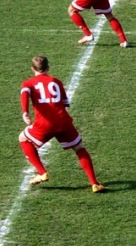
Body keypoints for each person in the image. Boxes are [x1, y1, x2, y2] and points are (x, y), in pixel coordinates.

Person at [18, 55, 106, 193]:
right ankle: (94, 183)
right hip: (63, 121)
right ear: (48, 68)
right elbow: (64, 104)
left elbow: (24, 94)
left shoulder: (28, 83)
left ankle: (42, 172)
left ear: (32, 69)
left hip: (45, 123)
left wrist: (25, 112)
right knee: (79, 148)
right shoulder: (57, 82)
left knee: (23, 138)